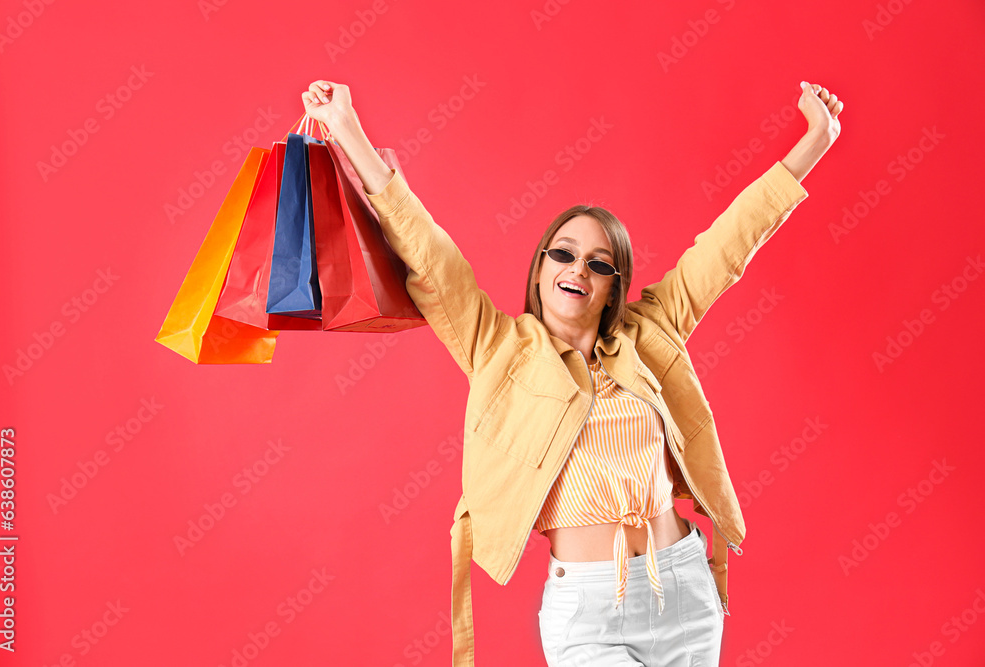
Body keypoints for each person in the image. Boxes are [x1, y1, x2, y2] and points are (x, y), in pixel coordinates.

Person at [302, 78, 842, 667]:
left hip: (685, 593)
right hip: (589, 613)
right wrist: (348, 129)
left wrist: (816, 141)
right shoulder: (498, 347)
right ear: (539, 270)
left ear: (614, 286)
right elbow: (432, 258)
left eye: (599, 261)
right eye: (562, 252)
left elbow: (728, 246)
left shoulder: (650, 333)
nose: (577, 267)